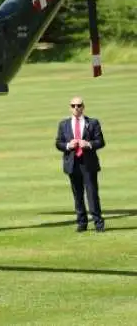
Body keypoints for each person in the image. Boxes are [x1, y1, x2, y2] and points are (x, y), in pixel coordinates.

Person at [54, 96, 106, 232]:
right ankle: (82, 223)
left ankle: (98, 223)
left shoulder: (93, 123)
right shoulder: (63, 124)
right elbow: (58, 143)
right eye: (73, 106)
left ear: (83, 107)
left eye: (78, 105)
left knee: (92, 194)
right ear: (70, 107)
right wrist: (67, 145)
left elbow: (100, 141)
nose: (76, 108)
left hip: (88, 164)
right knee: (77, 195)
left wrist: (88, 144)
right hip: (72, 163)